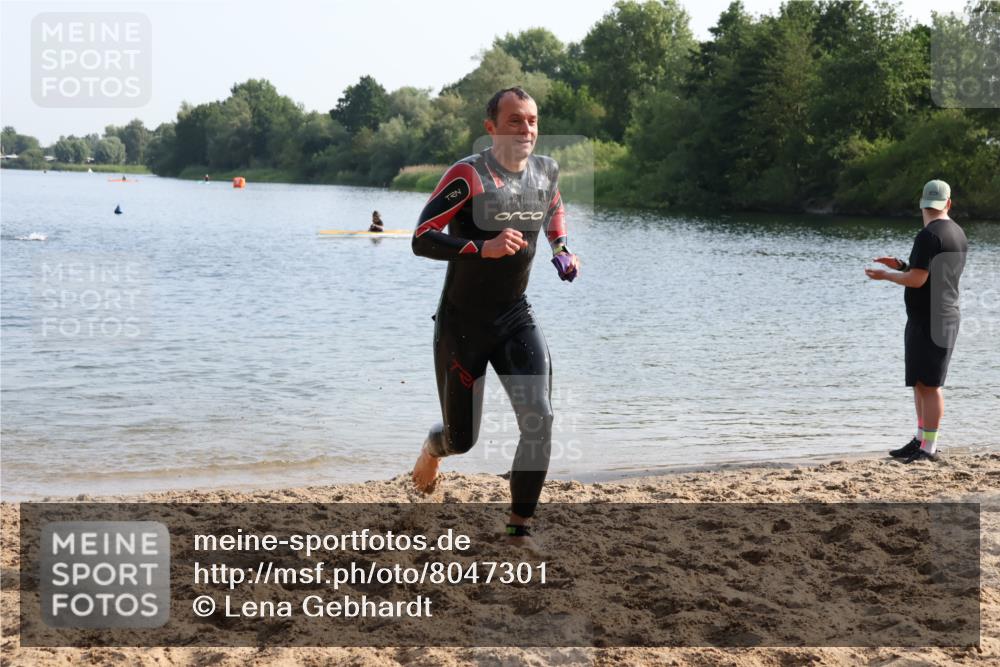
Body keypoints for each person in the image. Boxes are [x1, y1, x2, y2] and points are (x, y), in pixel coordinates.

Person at [410, 86, 580, 546]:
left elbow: (554, 206)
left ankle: (518, 528)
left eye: (532, 121)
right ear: (491, 128)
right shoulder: (469, 174)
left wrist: (560, 248)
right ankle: (431, 448)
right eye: (515, 121)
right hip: (462, 325)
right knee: (461, 439)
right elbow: (422, 237)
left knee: (540, 419)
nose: (526, 130)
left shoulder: (545, 171)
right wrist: (480, 248)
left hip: (514, 318)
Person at [865, 179, 968, 463]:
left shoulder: (928, 235)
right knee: (921, 382)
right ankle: (921, 439)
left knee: (930, 385)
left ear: (922, 204)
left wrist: (886, 276)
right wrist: (900, 265)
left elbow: (918, 279)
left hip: (931, 319)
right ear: (948, 203)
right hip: (941, 316)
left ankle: (928, 448)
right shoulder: (956, 232)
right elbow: (929, 272)